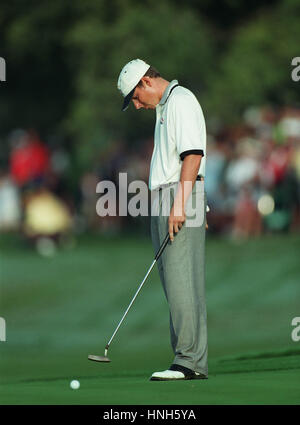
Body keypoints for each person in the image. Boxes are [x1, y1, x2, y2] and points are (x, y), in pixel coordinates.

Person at [117, 59, 208, 381]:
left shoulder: (180, 101)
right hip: (174, 196)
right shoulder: (166, 106)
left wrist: (182, 205)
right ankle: (189, 360)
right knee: (177, 282)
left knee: (182, 282)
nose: (138, 105)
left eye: (136, 98)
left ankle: (187, 362)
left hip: (177, 196)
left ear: (145, 81)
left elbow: (193, 155)